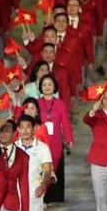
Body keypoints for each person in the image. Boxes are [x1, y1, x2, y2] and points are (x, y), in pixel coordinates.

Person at [13, 114, 52, 211]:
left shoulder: (42, 148)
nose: (25, 130)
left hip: (34, 193)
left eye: (28, 127)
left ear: (34, 128)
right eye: (22, 127)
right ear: (18, 129)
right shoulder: (13, 147)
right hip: (16, 193)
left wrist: (43, 185)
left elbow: (47, 170)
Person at [38, 75, 72, 204]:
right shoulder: (37, 102)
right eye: (44, 84)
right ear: (41, 87)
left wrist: (69, 139)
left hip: (55, 142)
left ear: (54, 87)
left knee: (52, 169)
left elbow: (66, 123)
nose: (47, 87)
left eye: (50, 84)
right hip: (40, 142)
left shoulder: (60, 103)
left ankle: (45, 196)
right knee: (41, 170)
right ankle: (41, 198)